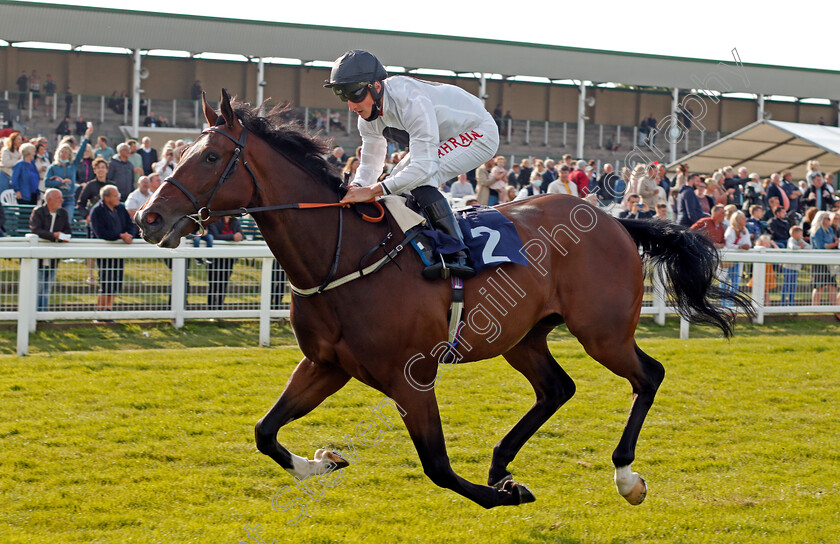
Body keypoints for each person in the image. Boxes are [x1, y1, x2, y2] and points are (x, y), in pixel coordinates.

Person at [325, 50, 499, 279]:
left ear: (376, 86)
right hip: (443, 137)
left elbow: (423, 169)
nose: (351, 106)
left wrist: (373, 190)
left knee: (418, 180)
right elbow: (369, 165)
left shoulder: (409, 101)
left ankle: (457, 254)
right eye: (343, 97)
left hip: (477, 131)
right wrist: (356, 188)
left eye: (354, 95)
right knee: (397, 186)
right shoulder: (366, 116)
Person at [89, 185, 137, 319]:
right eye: (115, 195)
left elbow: (130, 224)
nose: (118, 198)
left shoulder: (121, 208)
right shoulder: (97, 211)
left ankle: (109, 310)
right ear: (106, 198)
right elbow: (101, 233)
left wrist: (129, 235)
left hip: (119, 251)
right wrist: (120, 236)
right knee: (105, 282)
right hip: (104, 252)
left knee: (116, 282)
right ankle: (99, 313)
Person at [30, 189, 72, 311]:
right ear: (49, 200)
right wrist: (53, 235)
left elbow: (68, 230)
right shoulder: (38, 212)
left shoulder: (63, 213)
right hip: (39, 255)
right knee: (38, 286)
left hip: (53, 255)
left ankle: (44, 312)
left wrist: (63, 237)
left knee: (47, 287)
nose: (61, 200)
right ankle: (35, 313)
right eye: (58, 198)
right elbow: (36, 230)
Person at [45, 124, 93, 218]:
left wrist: (86, 137)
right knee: (55, 220)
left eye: (66, 152)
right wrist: (60, 183)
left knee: (67, 220)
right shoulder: (53, 167)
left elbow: (81, 152)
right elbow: (47, 183)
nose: (64, 154)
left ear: (69, 155)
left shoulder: (72, 165)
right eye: (62, 152)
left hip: (69, 199)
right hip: (56, 199)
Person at [206, 216, 244, 310]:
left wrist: (239, 236)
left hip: (229, 258)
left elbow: (241, 235)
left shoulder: (235, 221)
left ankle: (219, 308)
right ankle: (210, 309)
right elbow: (215, 236)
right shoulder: (214, 220)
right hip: (215, 258)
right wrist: (232, 236)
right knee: (213, 284)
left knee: (223, 284)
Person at [809, 211, 839, 312]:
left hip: (829, 261)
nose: (829, 220)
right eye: (828, 218)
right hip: (819, 261)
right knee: (819, 286)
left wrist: (835, 244)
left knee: (832, 285)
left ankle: (835, 309)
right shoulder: (817, 230)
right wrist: (834, 245)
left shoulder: (830, 229)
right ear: (821, 219)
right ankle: (815, 309)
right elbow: (820, 246)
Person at [781, 226, 810, 306]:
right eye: (800, 234)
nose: (801, 236)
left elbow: (809, 247)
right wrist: (801, 248)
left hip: (796, 267)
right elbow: (793, 247)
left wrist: (802, 247)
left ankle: (791, 303)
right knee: (787, 285)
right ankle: (782, 303)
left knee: (793, 286)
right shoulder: (791, 240)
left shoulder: (800, 241)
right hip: (788, 267)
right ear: (794, 234)